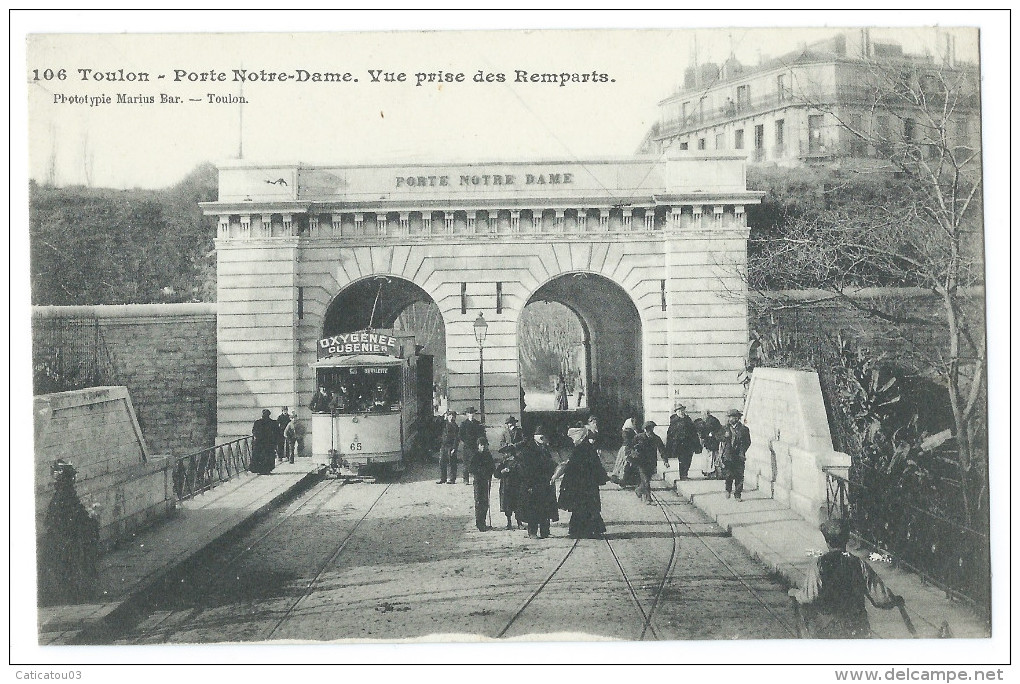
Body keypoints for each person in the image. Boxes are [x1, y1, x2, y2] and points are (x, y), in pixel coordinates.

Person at [789, 518, 904, 638]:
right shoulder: (858, 564)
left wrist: (796, 594)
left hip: (829, 629)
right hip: (856, 627)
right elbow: (880, 597)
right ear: (846, 540)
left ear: (827, 541)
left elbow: (809, 596)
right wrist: (894, 600)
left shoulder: (819, 565)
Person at [552, 415, 608, 539]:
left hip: (581, 484)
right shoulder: (585, 448)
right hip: (586, 484)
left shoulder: (582, 449)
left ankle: (582, 531)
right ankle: (587, 530)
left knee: (582, 508)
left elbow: (575, 465)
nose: (573, 441)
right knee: (587, 507)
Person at [517, 425, 560, 538]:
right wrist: (529, 485)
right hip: (533, 484)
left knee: (546, 508)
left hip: (545, 483)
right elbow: (525, 469)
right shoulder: (528, 450)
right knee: (533, 509)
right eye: (546, 438)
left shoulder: (544, 448)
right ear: (541, 438)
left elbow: (549, 463)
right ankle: (532, 532)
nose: (548, 441)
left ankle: (545, 532)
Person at [495, 416, 526, 529]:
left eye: (512, 423)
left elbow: (524, 441)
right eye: (508, 423)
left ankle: (519, 522)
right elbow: (501, 444)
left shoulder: (519, 432)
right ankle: (509, 522)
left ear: (515, 423)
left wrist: (515, 445)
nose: (510, 425)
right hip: (507, 460)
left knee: (518, 496)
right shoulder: (504, 433)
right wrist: (507, 446)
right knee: (507, 497)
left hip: (518, 461)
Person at [632, 420, 668, 504]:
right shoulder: (638, 437)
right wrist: (633, 455)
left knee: (647, 479)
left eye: (651, 429)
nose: (649, 432)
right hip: (641, 462)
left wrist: (665, 461)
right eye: (647, 430)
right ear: (644, 430)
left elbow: (662, 450)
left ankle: (638, 490)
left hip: (651, 463)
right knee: (646, 481)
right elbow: (631, 447)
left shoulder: (656, 438)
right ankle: (649, 498)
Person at [720, 408, 751, 500]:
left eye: (733, 417)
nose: (731, 419)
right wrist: (723, 437)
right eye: (729, 417)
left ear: (737, 418)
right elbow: (718, 437)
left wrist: (742, 451)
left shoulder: (744, 429)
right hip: (728, 456)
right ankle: (728, 490)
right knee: (728, 475)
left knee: (739, 476)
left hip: (739, 456)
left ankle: (737, 494)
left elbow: (748, 442)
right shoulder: (725, 428)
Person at [467, 436, 496, 532]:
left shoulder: (488, 455)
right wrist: (481, 471)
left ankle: (483, 522)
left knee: (485, 502)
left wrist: (490, 471)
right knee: (479, 502)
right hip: (478, 482)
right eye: (481, 445)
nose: (483, 447)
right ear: (478, 446)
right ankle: (479, 524)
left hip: (486, 481)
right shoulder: (475, 455)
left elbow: (492, 466)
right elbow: (471, 469)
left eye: (485, 445)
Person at [666, 402, 700, 480]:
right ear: (676, 412)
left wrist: (696, 444)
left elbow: (694, 432)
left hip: (689, 444)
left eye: (682, 410)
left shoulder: (688, 419)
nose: (681, 412)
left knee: (688, 459)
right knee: (682, 459)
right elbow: (670, 434)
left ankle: (685, 473)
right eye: (679, 411)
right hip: (679, 444)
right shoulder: (674, 421)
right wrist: (670, 445)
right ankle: (683, 475)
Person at [458, 407, 485, 486]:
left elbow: (481, 434)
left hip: (476, 446)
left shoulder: (477, 423)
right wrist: (466, 441)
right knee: (466, 463)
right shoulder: (464, 424)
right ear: (467, 414)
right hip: (467, 446)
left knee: (476, 462)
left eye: (473, 413)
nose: (471, 415)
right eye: (470, 413)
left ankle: (476, 478)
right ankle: (466, 479)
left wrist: (480, 443)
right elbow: (460, 435)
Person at [609, 416, 637, 486]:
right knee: (625, 464)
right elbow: (628, 440)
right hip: (627, 448)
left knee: (622, 463)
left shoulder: (628, 430)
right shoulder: (628, 431)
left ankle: (623, 479)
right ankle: (622, 479)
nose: (634, 424)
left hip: (626, 447)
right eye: (633, 423)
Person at [696, 409, 724, 479]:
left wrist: (707, 435)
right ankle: (710, 472)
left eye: (703, 414)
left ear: (707, 414)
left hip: (712, 443)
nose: (702, 416)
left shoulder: (711, 421)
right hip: (710, 442)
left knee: (711, 458)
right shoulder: (709, 420)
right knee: (710, 458)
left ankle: (712, 473)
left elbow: (711, 432)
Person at [250, 409, 280, 475]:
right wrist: (275, 442)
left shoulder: (258, 422)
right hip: (269, 443)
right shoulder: (273, 422)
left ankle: (260, 469)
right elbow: (277, 433)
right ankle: (267, 469)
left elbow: (254, 431)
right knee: (268, 456)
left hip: (260, 442)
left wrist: (257, 437)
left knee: (260, 456)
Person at [437, 410, 459, 484]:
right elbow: (438, 421)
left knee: (452, 463)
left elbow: (456, 438)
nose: (451, 417)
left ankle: (452, 479)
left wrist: (454, 448)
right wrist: (444, 415)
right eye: (449, 416)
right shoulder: (444, 424)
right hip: (444, 446)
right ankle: (443, 478)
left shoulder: (455, 426)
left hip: (451, 446)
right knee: (442, 462)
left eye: (452, 416)